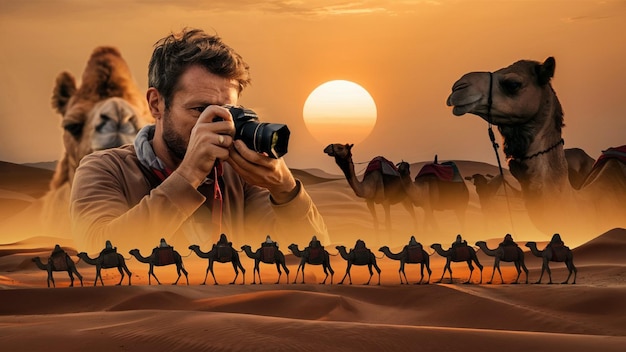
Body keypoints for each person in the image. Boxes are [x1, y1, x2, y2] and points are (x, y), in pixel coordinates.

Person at [69, 28, 328, 253]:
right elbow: (99, 253)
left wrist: (286, 190)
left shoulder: (239, 177)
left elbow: (310, 256)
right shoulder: (105, 169)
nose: (214, 124)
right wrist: (189, 174)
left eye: (226, 112)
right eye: (199, 110)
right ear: (156, 104)